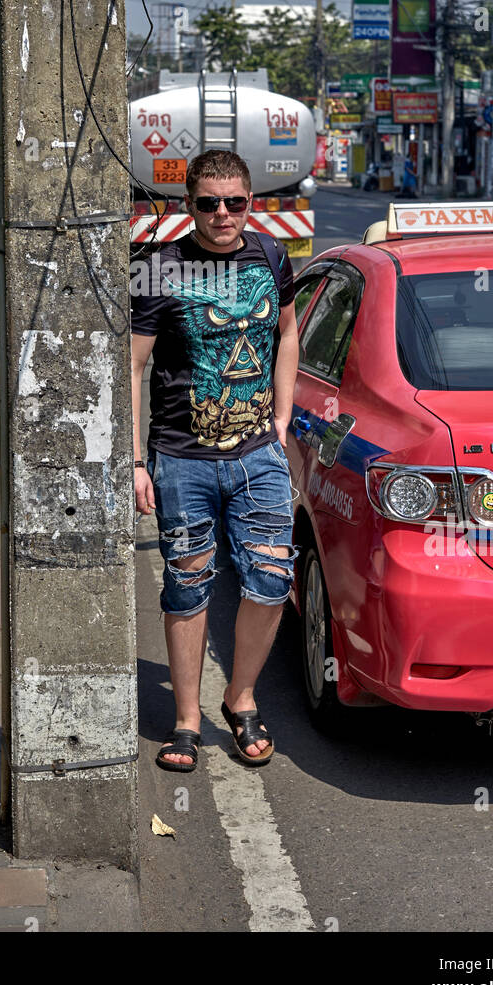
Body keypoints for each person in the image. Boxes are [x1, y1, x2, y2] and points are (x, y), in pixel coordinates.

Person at [130, 150, 299, 772]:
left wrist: (281, 421)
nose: (223, 214)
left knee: (271, 581)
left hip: (258, 454)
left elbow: (286, 333)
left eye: (235, 202)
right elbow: (133, 365)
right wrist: (135, 461)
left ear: (250, 202)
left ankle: (241, 697)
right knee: (186, 585)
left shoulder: (271, 257)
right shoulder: (158, 268)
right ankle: (185, 718)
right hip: (181, 459)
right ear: (187, 205)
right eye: (208, 203)